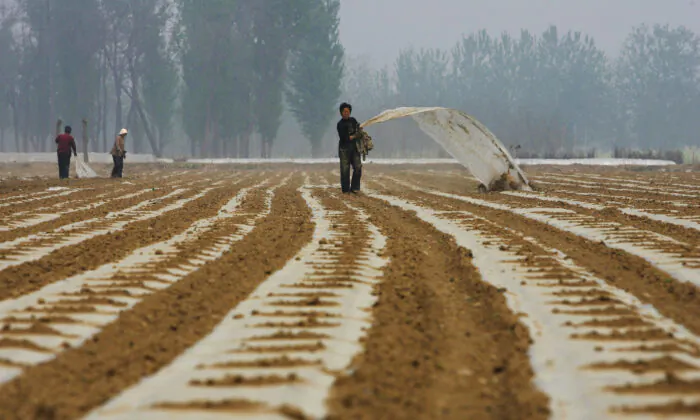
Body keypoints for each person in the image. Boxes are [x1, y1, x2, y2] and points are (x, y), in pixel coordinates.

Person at [336, 102, 362, 193]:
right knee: (344, 170)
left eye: (348, 111)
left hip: (354, 148)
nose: (346, 113)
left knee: (358, 167)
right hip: (344, 149)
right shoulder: (340, 124)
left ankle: (355, 188)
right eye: (344, 111)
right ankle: (345, 190)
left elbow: (358, 130)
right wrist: (353, 136)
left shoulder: (353, 120)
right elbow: (344, 138)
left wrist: (359, 132)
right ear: (341, 113)